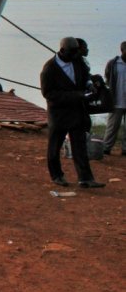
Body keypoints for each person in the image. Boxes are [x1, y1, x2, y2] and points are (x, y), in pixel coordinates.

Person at [40, 37, 105, 188]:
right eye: (72, 52)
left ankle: (85, 178)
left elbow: (85, 76)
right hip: (59, 113)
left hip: (76, 112)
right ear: (62, 51)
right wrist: (78, 95)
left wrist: (89, 85)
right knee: (55, 146)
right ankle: (57, 175)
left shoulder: (77, 60)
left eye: (77, 52)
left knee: (80, 146)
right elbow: (48, 94)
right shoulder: (49, 69)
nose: (75, 55)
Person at [102, 41, 126, 156]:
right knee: (112, 125)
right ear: (122, 50)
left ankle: (125, 149)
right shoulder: (113, 64)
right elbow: (107, 77)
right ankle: (106, 147)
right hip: (117, 100)